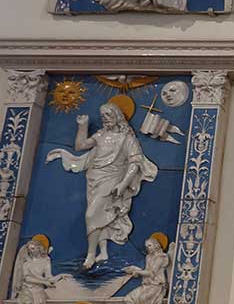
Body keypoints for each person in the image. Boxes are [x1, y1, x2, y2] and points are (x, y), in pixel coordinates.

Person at [46, 103, 158, 269]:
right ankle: (103, 252)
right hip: (94, 177)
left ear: (117, 116)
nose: (105, 118)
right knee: (101, 214)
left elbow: (135, 162)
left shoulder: (127, 138)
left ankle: (90, 254)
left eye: (108, 114)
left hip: (113, 178)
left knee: (91, 215)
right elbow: (80, 146)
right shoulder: (100, 135)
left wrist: (123, 183)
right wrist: (83, 126)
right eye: (103, 115)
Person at [11, 234, 66, 304]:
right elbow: (27, 278)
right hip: (27, 289)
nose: (30, 251)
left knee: (40, 303)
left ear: (39, 248)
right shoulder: (26, 263)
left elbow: (49, 278)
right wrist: (44, 282)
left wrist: (60, 276)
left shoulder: (46, 261)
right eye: (29, 249)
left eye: (33, 248)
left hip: (38, 289)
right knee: (28, 302)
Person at [124, 232, 171, 304]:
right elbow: (146, 271)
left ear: (156, 245)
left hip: (157, 286)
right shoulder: (148, 257)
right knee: (128, 299)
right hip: (146, 285)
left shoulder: (161, 257)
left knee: (142, 299)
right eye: (146, 247)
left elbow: (152, 273)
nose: (148, 248)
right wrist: (135, 271)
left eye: (149, 245)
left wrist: (138, 271)